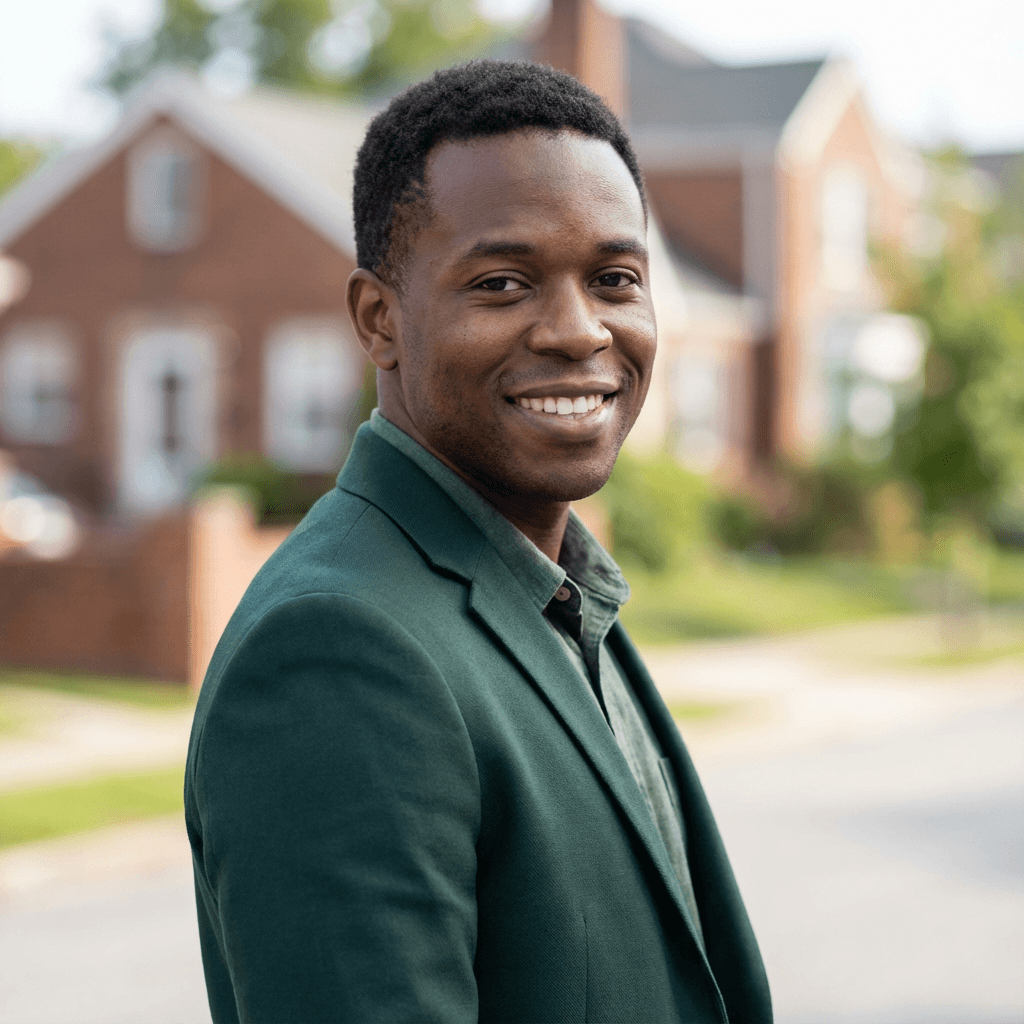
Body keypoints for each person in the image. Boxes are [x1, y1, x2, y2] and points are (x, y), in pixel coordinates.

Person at [185, 60, 772, 1024]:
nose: (580, 331)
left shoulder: (554, 591)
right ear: (379, 320)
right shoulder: (338, 651)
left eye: (615, 279)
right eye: (502, 283)